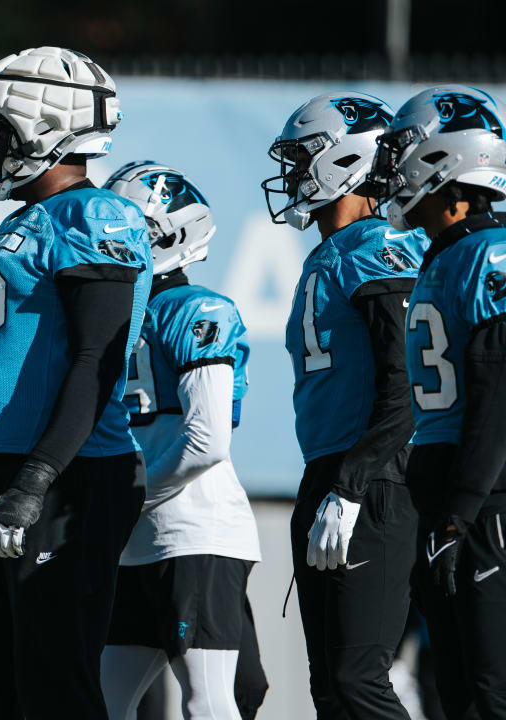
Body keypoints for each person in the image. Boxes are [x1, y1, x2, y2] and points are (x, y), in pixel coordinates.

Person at [0, 46, 152, 718]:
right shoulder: (23, 220)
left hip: (67, 474)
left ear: (45, 128)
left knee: (53, 684)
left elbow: (97, 360)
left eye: (1, 130)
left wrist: (35, 479)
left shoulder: (95, 216)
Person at [262, 91, 427, 719]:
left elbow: (406, 382)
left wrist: (353, 482)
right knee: (331, 688)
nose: (292, 174)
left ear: (347, 159)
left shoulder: (376, 248)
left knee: (358, 680)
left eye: (304, 157)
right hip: (330, 472)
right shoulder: (331, 253)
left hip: (372, 477)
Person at [99, 161, 262, 720]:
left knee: (208, 701)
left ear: (169, 235)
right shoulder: (116, 317)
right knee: (101, 703)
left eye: (128, 230)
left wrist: (130, 497)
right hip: (136, 538)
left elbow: (207, 440)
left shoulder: (197, 310)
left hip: (194, 531)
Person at [370, 84, 506, 718]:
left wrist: (461, 513)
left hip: (485, 499)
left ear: (445, 160)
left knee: (488, 692)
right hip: (452, 495)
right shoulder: (446, 255)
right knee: (455, 693)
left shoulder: (489, 253)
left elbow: (499, 391)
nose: (392, 167)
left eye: (405, 151)